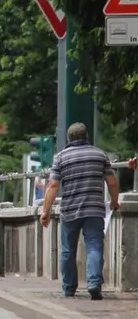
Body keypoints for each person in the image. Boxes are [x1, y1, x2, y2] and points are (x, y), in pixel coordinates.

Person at [40, 122, 119, 300]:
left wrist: (45, 211)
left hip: (69, 210)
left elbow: (53, 185)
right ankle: (93, 283)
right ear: (86, 137)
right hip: (94, 210)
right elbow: (112, 182)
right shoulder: (99, 155)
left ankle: (69, 288)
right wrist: (114, 201)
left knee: (68, 250)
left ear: (68, 139)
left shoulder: (60, 158)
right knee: (94, 246)